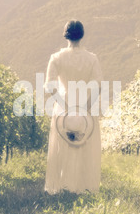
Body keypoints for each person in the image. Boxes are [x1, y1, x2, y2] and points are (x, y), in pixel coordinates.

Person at [44, 20, 102, 194]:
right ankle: (83, 187)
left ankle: (62, 186)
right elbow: (98, 85)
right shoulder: (92, 58)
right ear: (82, 35)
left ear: (65, 35)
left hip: (64, 105)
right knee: (85, 146)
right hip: (85, 105)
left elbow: (50, 87)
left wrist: (63, 106)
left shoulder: (56, 58)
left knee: (63, 146)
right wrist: (86, 108)